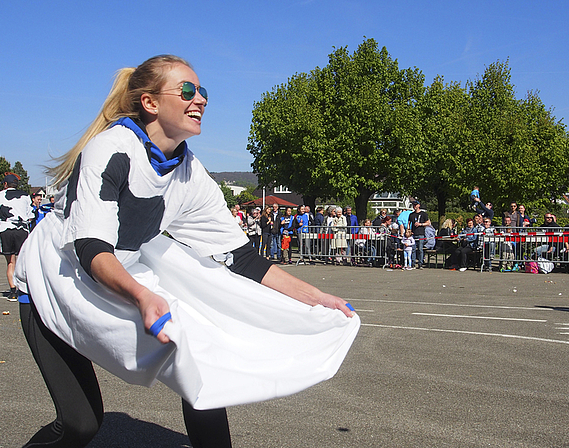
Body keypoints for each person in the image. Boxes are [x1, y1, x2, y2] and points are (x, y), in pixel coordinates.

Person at [14, 55, 359, 448]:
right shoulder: (110, 150)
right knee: (80, 425)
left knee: (202, 363)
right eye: (188, 91)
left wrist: (317, 298)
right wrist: (144, 295)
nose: (201, 101)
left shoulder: (191, 173)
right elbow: (92, 248)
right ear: (150, 103)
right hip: (56, 283)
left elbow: (243, 258)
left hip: (115, 276)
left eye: (203, 93)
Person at [0, 173, 32, 302]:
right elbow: (31, 215)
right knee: (23, 260)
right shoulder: (25, 196)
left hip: (5, 228)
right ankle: (25, 287)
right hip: (21, 229)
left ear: (5, 184)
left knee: (11, 261)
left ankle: (13, 290)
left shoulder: (1, 195)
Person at [407, 201, 429, 269]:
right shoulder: (411, 215)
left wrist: (421, 224)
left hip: (421, 234)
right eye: (413, 205)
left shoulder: (424, 214)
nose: (414, 206)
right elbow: (409, 223)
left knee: (420, 249)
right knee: (413, 249)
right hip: (413, 234)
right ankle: (413, 263)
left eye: (415, 205)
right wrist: (409, 230)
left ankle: (420, 263)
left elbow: (428, 223)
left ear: (419, 205)